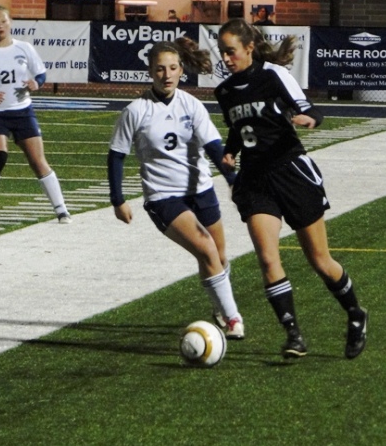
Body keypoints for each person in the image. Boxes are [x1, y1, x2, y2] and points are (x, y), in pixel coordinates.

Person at [214, 19, 368, 359]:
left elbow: (311, 110)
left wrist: (309, 119)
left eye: (231, 52)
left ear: (248, 48)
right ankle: (293, 335)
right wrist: (231, 151)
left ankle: (356, 314)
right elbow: (241, 128)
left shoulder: (272, 75)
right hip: (255, 180)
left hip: (291, 172)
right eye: (222, 53)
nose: (226, 59)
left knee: (319, 260)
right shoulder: (223, 93)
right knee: (268, 259)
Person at [108, 38, 245, 339]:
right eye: (160, 69)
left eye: (172, 68)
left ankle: (219, 309)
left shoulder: (191, 105)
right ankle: (234, 319)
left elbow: (212, 146)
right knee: (206, 248)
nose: (166, 75)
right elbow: (116, 155)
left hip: (201, 190)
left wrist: (234, 181)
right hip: (163, 196)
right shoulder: (136, 110)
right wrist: (118, 200)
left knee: (218, 258)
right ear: (150, 72)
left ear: (182, 69)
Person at [0, 5, 71, 225]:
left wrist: (36, 83)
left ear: (10, 22)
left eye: (3, 21)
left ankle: (61, 210)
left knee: (38, 161)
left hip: (23, 111)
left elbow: (40, 74)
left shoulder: (24, 48)